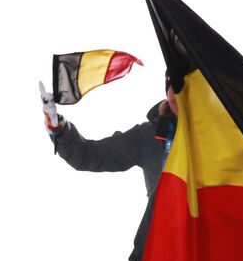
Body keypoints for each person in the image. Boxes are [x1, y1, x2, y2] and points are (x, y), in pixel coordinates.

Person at [43, 79, 175, 195]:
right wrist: (60, 130)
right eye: (176, 87)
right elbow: (86, 155)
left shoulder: (195, 134)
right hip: (168, 221)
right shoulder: (149, 136)